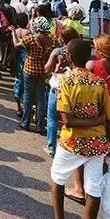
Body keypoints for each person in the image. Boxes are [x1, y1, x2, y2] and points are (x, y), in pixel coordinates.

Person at [50, 38, 110, 219]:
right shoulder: (99, 82)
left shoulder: (66, 81)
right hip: (98, 143)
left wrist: (93, 121)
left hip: (72, 142)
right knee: (94, 189)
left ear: (69, 57)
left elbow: (67, 120)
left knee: (57, 178)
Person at [15, 17, 59, 133]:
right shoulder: (54, 40)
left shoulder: (32, 39)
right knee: (40, 98)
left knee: (28, 96)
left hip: (30, 70)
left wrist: (13, 34)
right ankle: (40, 125)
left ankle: (25, 122)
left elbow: (17, 45)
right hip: (43, 71)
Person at [42, 27, 79, 158]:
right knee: (70, 120)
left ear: (62, 39)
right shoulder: (79, 51)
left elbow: (47, 68)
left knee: (52, 118)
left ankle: (51, 147)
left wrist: (56, 68)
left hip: (57, 88)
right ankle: (70, 147)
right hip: (74, 89)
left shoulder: (57, 51)